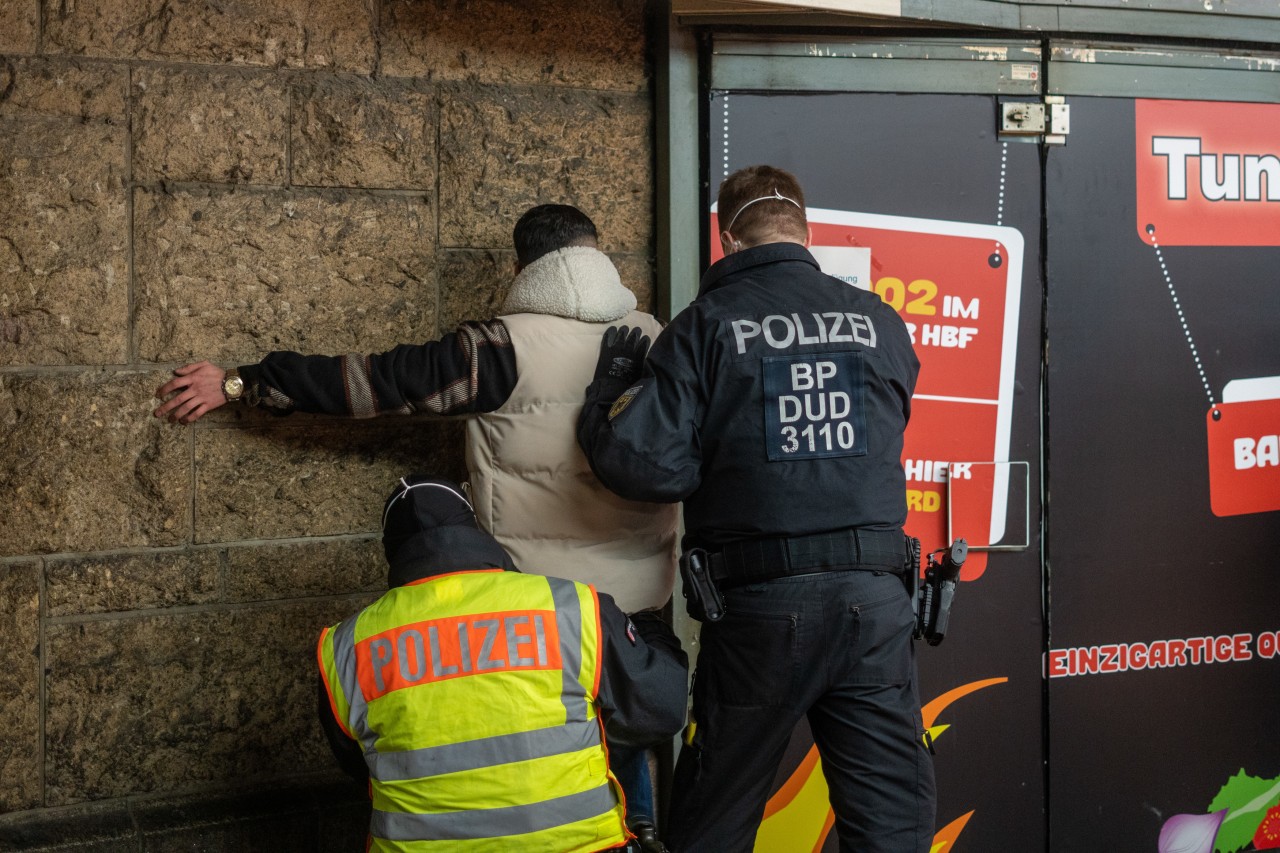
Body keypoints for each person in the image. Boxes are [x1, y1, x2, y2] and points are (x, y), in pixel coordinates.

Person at [153, 204, 679, 846]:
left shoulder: (499, 348)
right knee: (619, 753)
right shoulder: (659, 337)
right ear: (598, 253)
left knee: (516, 756)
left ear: (522, 268)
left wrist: (244, 382)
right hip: (642, 591)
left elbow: (373, 383)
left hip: (534, 611)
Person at [577, 165, 936, 852]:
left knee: (714, 821)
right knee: (892, 826)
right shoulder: (879, 322)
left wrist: (609, 393)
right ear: (806, 230)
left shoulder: (704, 326)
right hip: (876, 606)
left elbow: (646, 464)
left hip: (764, 615)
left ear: (726, 236)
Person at [317, 474, 688, 852]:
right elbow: (660, 708)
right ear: (473, 530)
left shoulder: (347, 645)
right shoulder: (568, 606)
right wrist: (649, 630)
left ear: (392, 554)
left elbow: (358, 763)